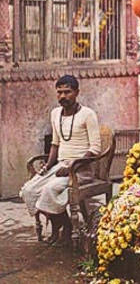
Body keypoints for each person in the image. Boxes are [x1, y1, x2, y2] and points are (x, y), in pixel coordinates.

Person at [20, 75, 101, 245]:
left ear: (76, 92)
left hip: (81, 170)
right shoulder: (55, 114)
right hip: (60, 167)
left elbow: (95, 149)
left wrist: (73, 165)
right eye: (59, 92)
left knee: (50, 189)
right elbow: (55, 144)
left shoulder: (88, 114)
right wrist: (48, 166)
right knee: (30, 189)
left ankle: (62, 230)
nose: (63, 96)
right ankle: (63, 224)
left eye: (67, 92)